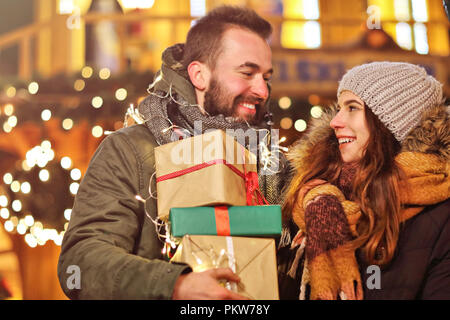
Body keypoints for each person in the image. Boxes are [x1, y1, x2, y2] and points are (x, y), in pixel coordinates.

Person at [57, 6, 288, 300]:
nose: (263, 90)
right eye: (247, 72)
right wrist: (175, 286)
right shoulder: (130, 152)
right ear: (200, 74)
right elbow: (80, 263)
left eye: (266, 76)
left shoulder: (271, 162)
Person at [280, 61, 449, 300]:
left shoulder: (440, 217)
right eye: (340, 108)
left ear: (393, 124)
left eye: (352, 108)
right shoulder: (316, 199)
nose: (335, 121)